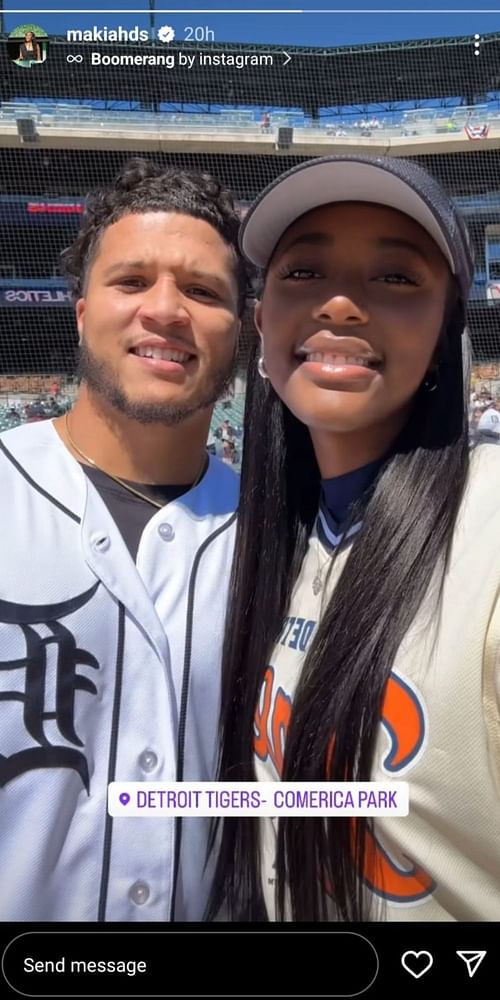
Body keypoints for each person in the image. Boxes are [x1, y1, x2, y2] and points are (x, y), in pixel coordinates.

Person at [210, 154, 500, 922]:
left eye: (397, 278)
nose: (339, 304)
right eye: (302, 273)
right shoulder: (284, 542)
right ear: (262, 320)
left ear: (444, 335)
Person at [0, 157, 246, 921]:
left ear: (244, 331)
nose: (166, 311)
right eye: (131, 281)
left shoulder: (283, 538)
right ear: (80, 311)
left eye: (204, 291)